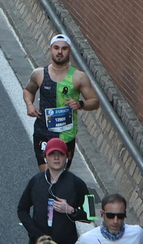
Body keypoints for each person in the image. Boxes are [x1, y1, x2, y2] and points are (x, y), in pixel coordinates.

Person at [24, 33, 100, 165]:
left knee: (61, 177)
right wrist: (29, 104)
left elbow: (95, 101)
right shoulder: (39, 74)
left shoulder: (79, 77)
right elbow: (28, 90)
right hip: (43, 132)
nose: (60, 52)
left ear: (69, 50)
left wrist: (80, 104)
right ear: (51, 50)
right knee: (47, 176)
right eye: (56, 48)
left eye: (64, 49)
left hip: (66, 135)